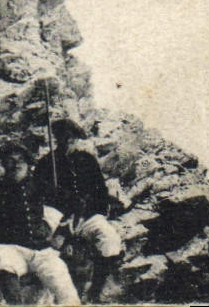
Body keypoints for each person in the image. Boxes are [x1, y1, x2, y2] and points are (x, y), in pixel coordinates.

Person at [0, 141, 83, 305]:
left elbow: (73, 204)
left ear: (28, 163)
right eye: (10, 160)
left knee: (67, 291)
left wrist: (62, 234)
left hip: (42, 250)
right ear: (3, 163)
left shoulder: (41, 186)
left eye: (20, 160)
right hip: (10, 248)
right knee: (5, 269)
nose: (16, 164)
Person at [35, 118, 123, 303]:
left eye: (71, 138)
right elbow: (38, 196)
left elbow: (100, 193)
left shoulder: (87, 160)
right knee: (49, 253)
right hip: (57, 218)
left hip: (86, 216)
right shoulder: (46, 164)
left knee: (110, 239)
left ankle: (95, 291)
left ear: (75, 138)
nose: (67, 142)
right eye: (62, 138)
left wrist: (85, 215)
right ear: (56, 138)